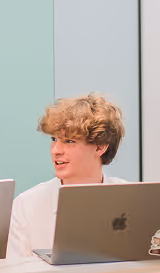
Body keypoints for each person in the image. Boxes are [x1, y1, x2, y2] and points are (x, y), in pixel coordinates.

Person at [7, 94, 127, 259]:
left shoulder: (131, 199)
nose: (56, 150)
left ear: (100, 147)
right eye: (54, 139)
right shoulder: (26, 206)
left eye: (69, 141)